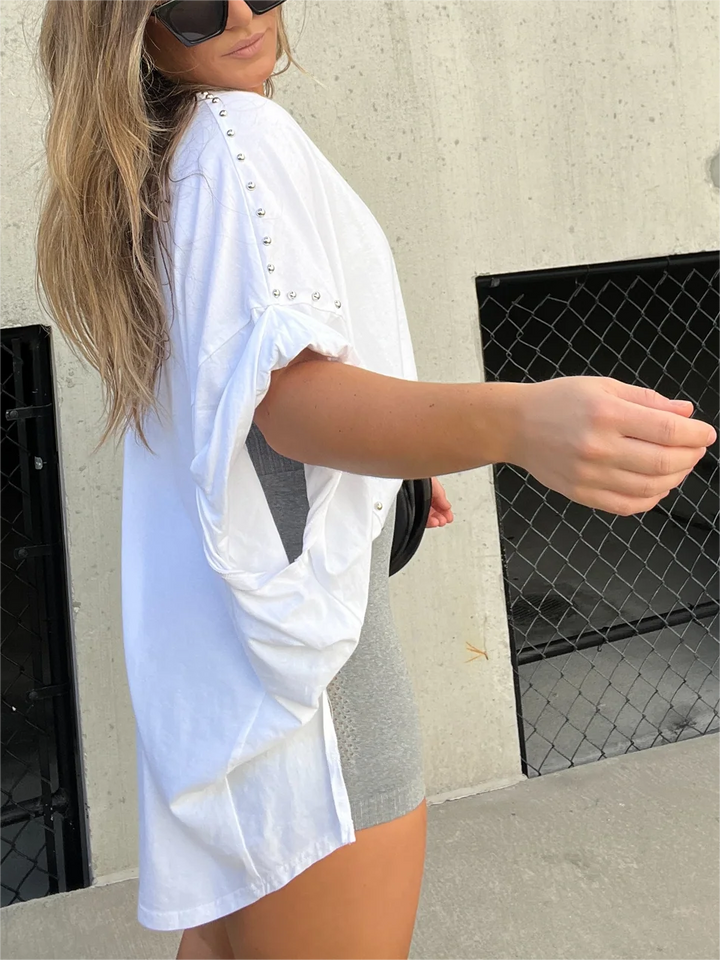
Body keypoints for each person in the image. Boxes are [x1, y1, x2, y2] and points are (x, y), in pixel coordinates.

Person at [34, 0, 716, 957]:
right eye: (191, 0)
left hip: (225, 664)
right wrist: (521, 420)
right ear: (127, 26)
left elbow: (237, 402)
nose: (240, 13)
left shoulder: (166, 153)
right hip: (314, 689)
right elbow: (289, 398)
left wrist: (388, 475)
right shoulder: (237, 133)